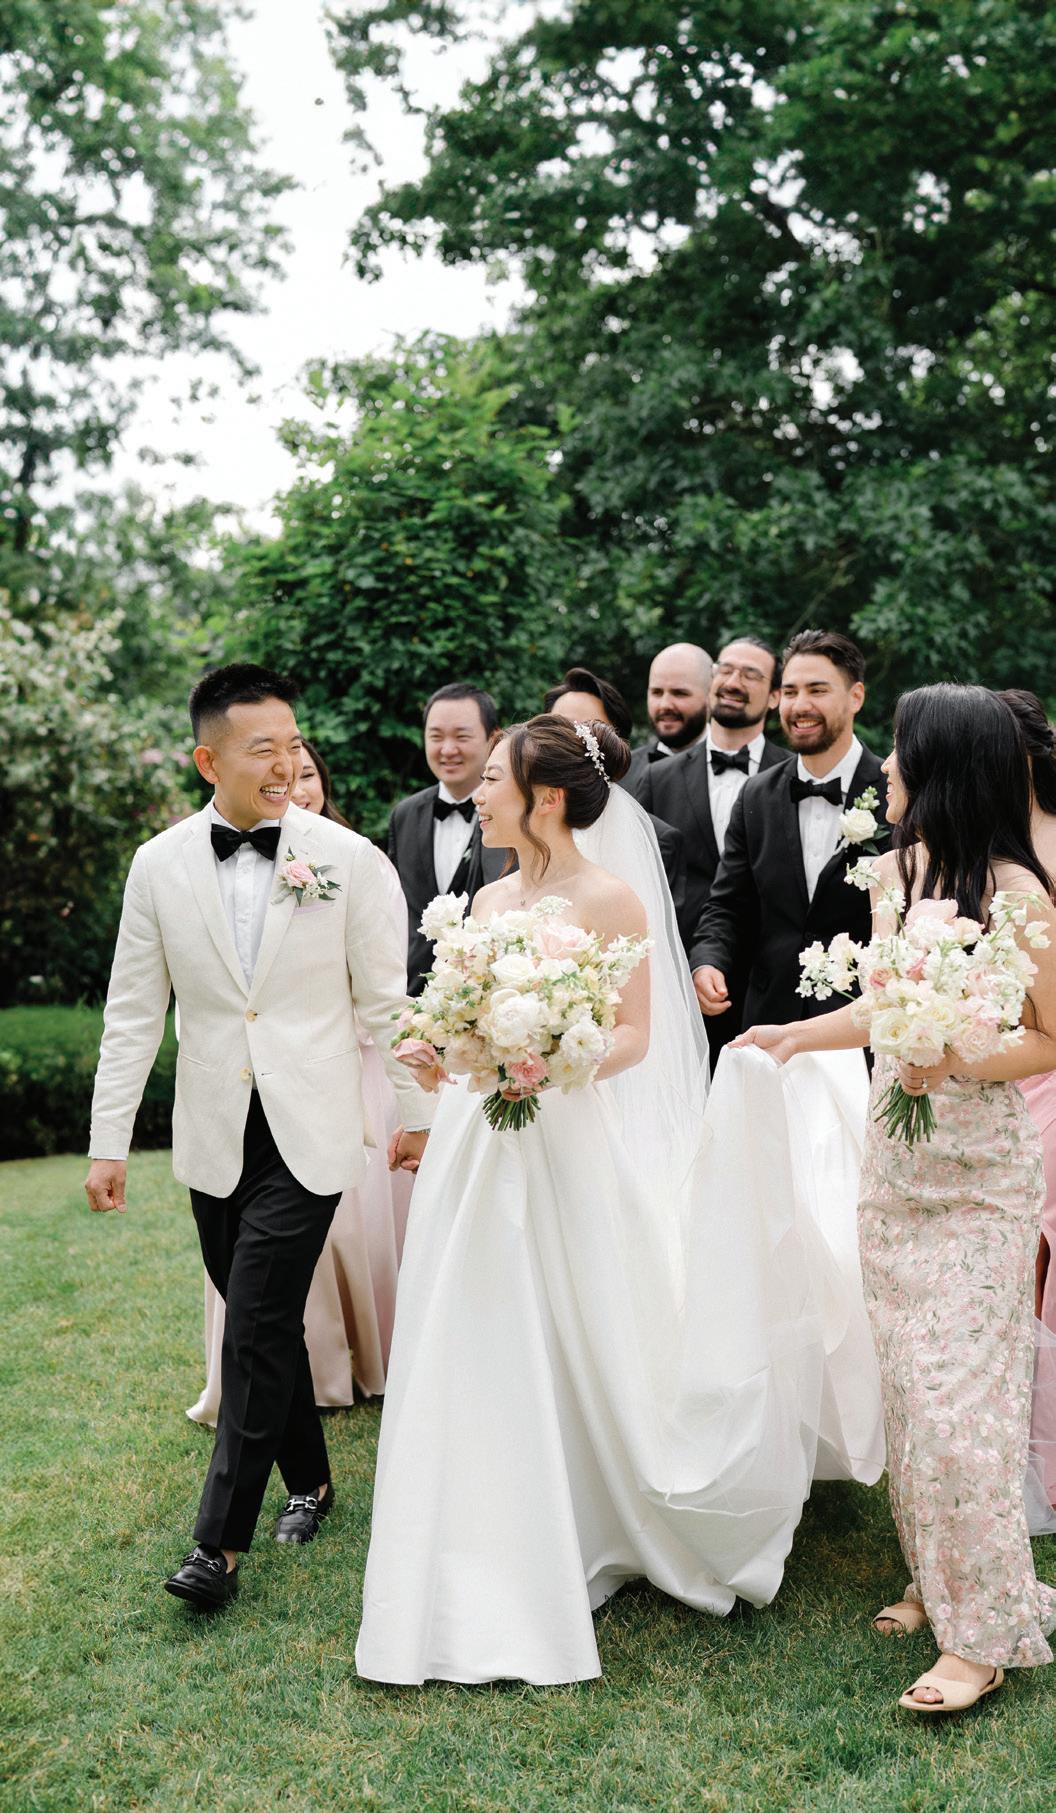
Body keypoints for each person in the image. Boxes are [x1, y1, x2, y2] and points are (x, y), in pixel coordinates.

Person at [356, 715, 835, 1686]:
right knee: (473, 1319)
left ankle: (593, 1510)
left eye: (495, 779)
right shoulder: (487, 897)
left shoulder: (611, 897)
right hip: (477, 1144)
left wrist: (550, 1057)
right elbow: (458, 1021)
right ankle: (475, 1519)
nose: (479, 794)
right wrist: (442, 1049)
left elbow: (635, 1036)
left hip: (565, 1138)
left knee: (574, 1318)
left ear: (544, 798)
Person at [85, 663, 435, 1611]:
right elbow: (133, 1012)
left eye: (293, 744)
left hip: (311, 1127)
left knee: (252, 1320)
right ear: (209, 760)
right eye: (261, 749)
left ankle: (218, 1544)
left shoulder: (349, 859)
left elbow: (386, 1004)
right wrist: (108, 1141)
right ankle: (311, 1480)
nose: (285, 764)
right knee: (264, 1317)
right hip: (212, 1130)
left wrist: (418, 1114)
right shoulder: (158, 865)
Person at [735, 683, 1056, 1714]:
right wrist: (793, 1034)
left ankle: (983, 1636)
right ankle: (937, 1574)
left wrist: (956, 1053)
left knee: (964, 1405)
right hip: (896, 1165)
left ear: (943, 764)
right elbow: (883, 1004)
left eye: (901, 751)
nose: (884, 768)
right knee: (915, 1393)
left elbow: (1049, 1036)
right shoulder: (895, 870)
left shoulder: (1021, 891)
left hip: (981, 1177)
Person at [187, 738, 414, 1421]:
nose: (296, 783)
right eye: (279, 770)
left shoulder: (358, 860)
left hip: (348, 1070)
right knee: (256, 1243)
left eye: (307, 771)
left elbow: (383, 982)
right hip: (250, 1083)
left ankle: (365, 1358)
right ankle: (279, 1381)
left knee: (346, 1232)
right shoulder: (206, 863)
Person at [691, 629, 887, 1040]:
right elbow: (727, 903)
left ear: (856, 697)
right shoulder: (756, 795)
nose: (800, 706)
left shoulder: (895, 793)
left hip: (863, 1029)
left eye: (817, 690)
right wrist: (707, 960)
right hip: (769, 1021)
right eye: (791, 691)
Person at [636, 636, 788, 1055]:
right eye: (726, 670)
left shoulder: (792, 776)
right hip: (677, 985)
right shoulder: (658, 778)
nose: (733, 682)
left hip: (769, 988)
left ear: (775, 696)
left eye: (751, 674)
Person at [998, 689, 1056, 1517]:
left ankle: (1040, 1452)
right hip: (1005, 1057)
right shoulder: (989, 844)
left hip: (1051, 1056)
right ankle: (1011, 1440)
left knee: (1040, 1246)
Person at [387, 682, 507, 994]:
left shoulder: (511, 815)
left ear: (494, 739)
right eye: (436, 736)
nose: (448, 749)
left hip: (488, 994)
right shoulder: (404, 815)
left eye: (461, 737)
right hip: (412, 995)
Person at [544, 664, 687, 919]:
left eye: (583, 731)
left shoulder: (658, 842)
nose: (565, 743)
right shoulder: (507, 822)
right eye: (556, 729)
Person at [624, 642, 713, 794]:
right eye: (657, 692)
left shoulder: (737, 769)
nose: (665, 705)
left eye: (679, 693)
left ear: (710, 696)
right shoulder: (622, 772)